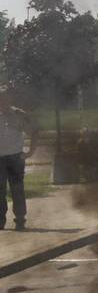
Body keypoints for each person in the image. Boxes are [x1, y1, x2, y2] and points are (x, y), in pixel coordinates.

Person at [0, 86, 36, 231]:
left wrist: (30, 152)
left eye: (5, 97)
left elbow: (34, 131)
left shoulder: (19, 114)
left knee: (17, 190)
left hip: (15, 158)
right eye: (1, 97)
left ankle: (20, 220)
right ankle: (0, 222)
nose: (3, 100)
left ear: (10, 98)